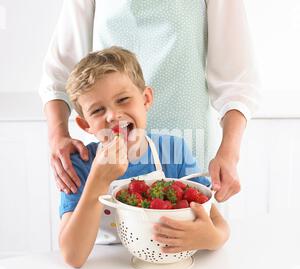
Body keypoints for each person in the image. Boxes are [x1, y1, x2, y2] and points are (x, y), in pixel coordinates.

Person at [39, 0, 260, 202]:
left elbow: (237, 81)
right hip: (110, 151)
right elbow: (60, 74)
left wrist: (230, 153)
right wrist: (58, 136)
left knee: (187, 231)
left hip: (185, 145)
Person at [59, 46, 230, 268]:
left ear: (146, 99)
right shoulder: (78, 165)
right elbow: (73, 256)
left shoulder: (173, 151)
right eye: (98, 111)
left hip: (164, 264)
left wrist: (212, 238)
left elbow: (218, 224)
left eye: (122, 99)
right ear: (85, 125)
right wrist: (98, 180)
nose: (113, 115)